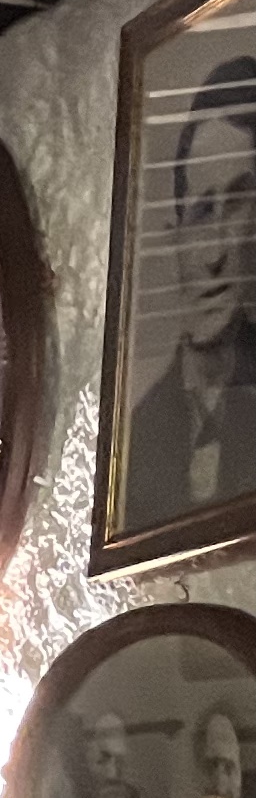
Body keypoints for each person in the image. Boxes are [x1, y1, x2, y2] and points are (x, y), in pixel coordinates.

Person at [126, 51, 256, 531]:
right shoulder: (137, 436)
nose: (214, 252)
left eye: (238, 207)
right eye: (201, 213)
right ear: (174, 235)